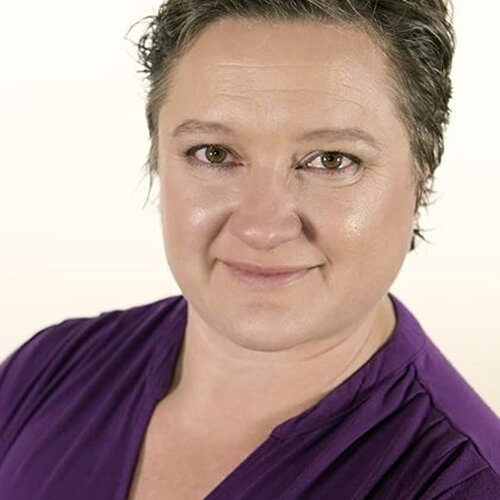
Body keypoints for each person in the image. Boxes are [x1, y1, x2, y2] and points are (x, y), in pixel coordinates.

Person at [0, 0, 499, 498]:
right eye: (214, 153)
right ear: (157, 159)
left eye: (331, 160)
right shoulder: (48, 370)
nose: (262, 227)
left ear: (422, 179)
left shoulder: (459, 483)